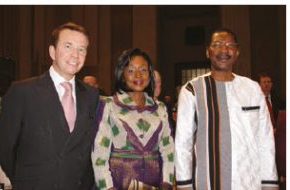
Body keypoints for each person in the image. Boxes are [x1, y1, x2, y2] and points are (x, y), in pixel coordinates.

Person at [0, 22, 99, 190]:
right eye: (68, 46)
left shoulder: (91, 96)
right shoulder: (22, 92)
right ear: (52, 51)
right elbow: (2, 146)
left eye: (82, 49)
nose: (75, 55)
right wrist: (26, 179)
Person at [175, 28, 278, 190]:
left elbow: (265, 140)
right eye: (217, 44)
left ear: (237, 52)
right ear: (208, 52)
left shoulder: (252, 89)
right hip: (208, 182)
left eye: (230, 45)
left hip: (249, 181)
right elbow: (183, 144)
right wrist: (184, 185)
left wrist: (270, 182)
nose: (224, 49)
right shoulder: (192, 90)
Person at [92, 48, 174, 190]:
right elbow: (99, 155)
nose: (138, 75)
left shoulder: (160, 109)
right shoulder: (109, 106)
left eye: (143, 70)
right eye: (131, 71)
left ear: (150, 75)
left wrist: (167, 183)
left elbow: (168, 151)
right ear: (122, 75)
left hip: (153, 185)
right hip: (117, 184)